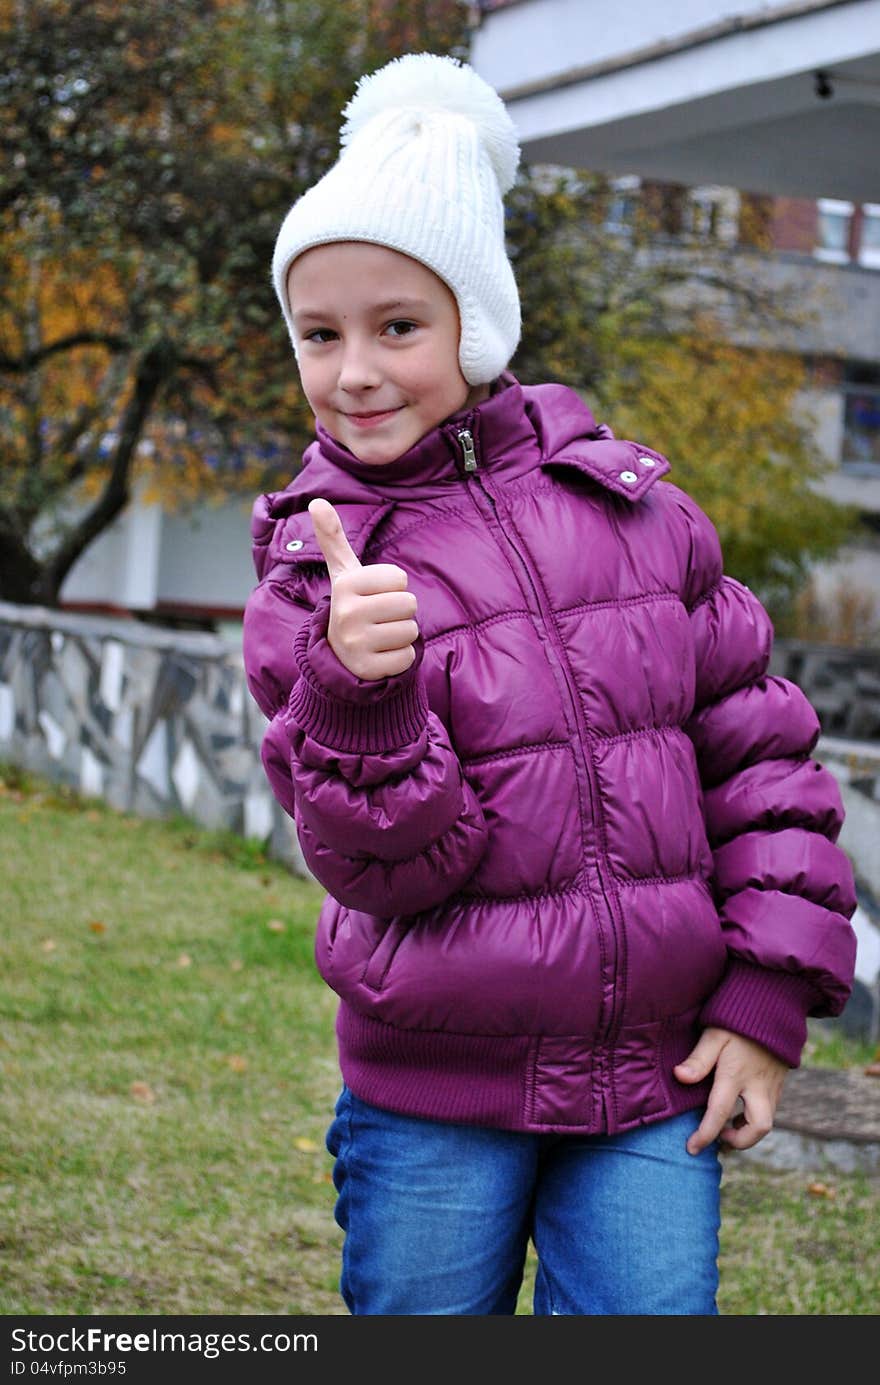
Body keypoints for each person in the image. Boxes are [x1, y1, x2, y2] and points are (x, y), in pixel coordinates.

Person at [242, 52, 857, 1316]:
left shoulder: (638, 515)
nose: (353, 370)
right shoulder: (316, 566)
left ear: (479, 321)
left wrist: (763, 993)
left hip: (652, 1080)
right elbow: (388, 870)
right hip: (430, 1094)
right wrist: (361, 694)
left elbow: (764, 770)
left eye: (396, 326)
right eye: (320, 333)